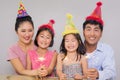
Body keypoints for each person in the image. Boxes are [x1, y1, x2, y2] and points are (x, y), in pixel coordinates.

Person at [82, 1, 116, 80]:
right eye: (88, 29)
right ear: (83, 32)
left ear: (101, 33)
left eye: (96, 30)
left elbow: (111, 72)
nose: (92, 34)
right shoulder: (75, 48)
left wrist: (98, 74)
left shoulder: (107, 49)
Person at [7, 1, 38, 76]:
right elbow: (21, 70)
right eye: (23, 31)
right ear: (16, 32)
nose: (27, 34)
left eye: (30, 30)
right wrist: (36, 72)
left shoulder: (39, 44)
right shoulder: (12, 49)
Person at [56, 13, 88, 80]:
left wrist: (81, 77)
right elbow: (58, 70)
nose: (70, 43)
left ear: (79, 42)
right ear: (64, 43)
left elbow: (86, 75)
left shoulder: (82, 58)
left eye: (73, 40)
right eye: (67, 41)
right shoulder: (61, 56)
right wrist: (60, 75)